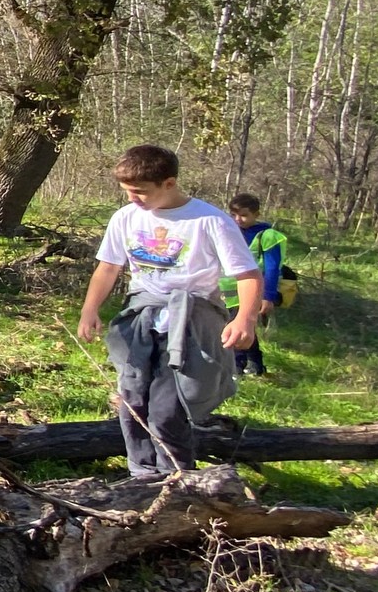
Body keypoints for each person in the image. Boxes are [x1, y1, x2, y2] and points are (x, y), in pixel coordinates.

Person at [75, 146, 262, 478]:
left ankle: (177, 479)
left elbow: (247, 274)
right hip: (141, 318)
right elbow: (107, 268)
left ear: (169, 183)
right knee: (132, 401)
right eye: (128, 191)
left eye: (141, 192)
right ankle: (142, 475)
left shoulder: (210, 220)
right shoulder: (126, 218)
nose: (134, 199)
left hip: (191, 321)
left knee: (166, 410)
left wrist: (244, 317)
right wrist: (90, 310)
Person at [225, 194, 288, 377]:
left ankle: (237, 366)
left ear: (256, 214)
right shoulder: (230, 231)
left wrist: (268, 296)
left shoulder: (267, 236)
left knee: (237, 326)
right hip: (227, 290)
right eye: (233, 215)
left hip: (251, 290)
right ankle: (255, 364)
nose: (238, 220)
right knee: (243, 327)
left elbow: (272, 267)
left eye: (243, 215)